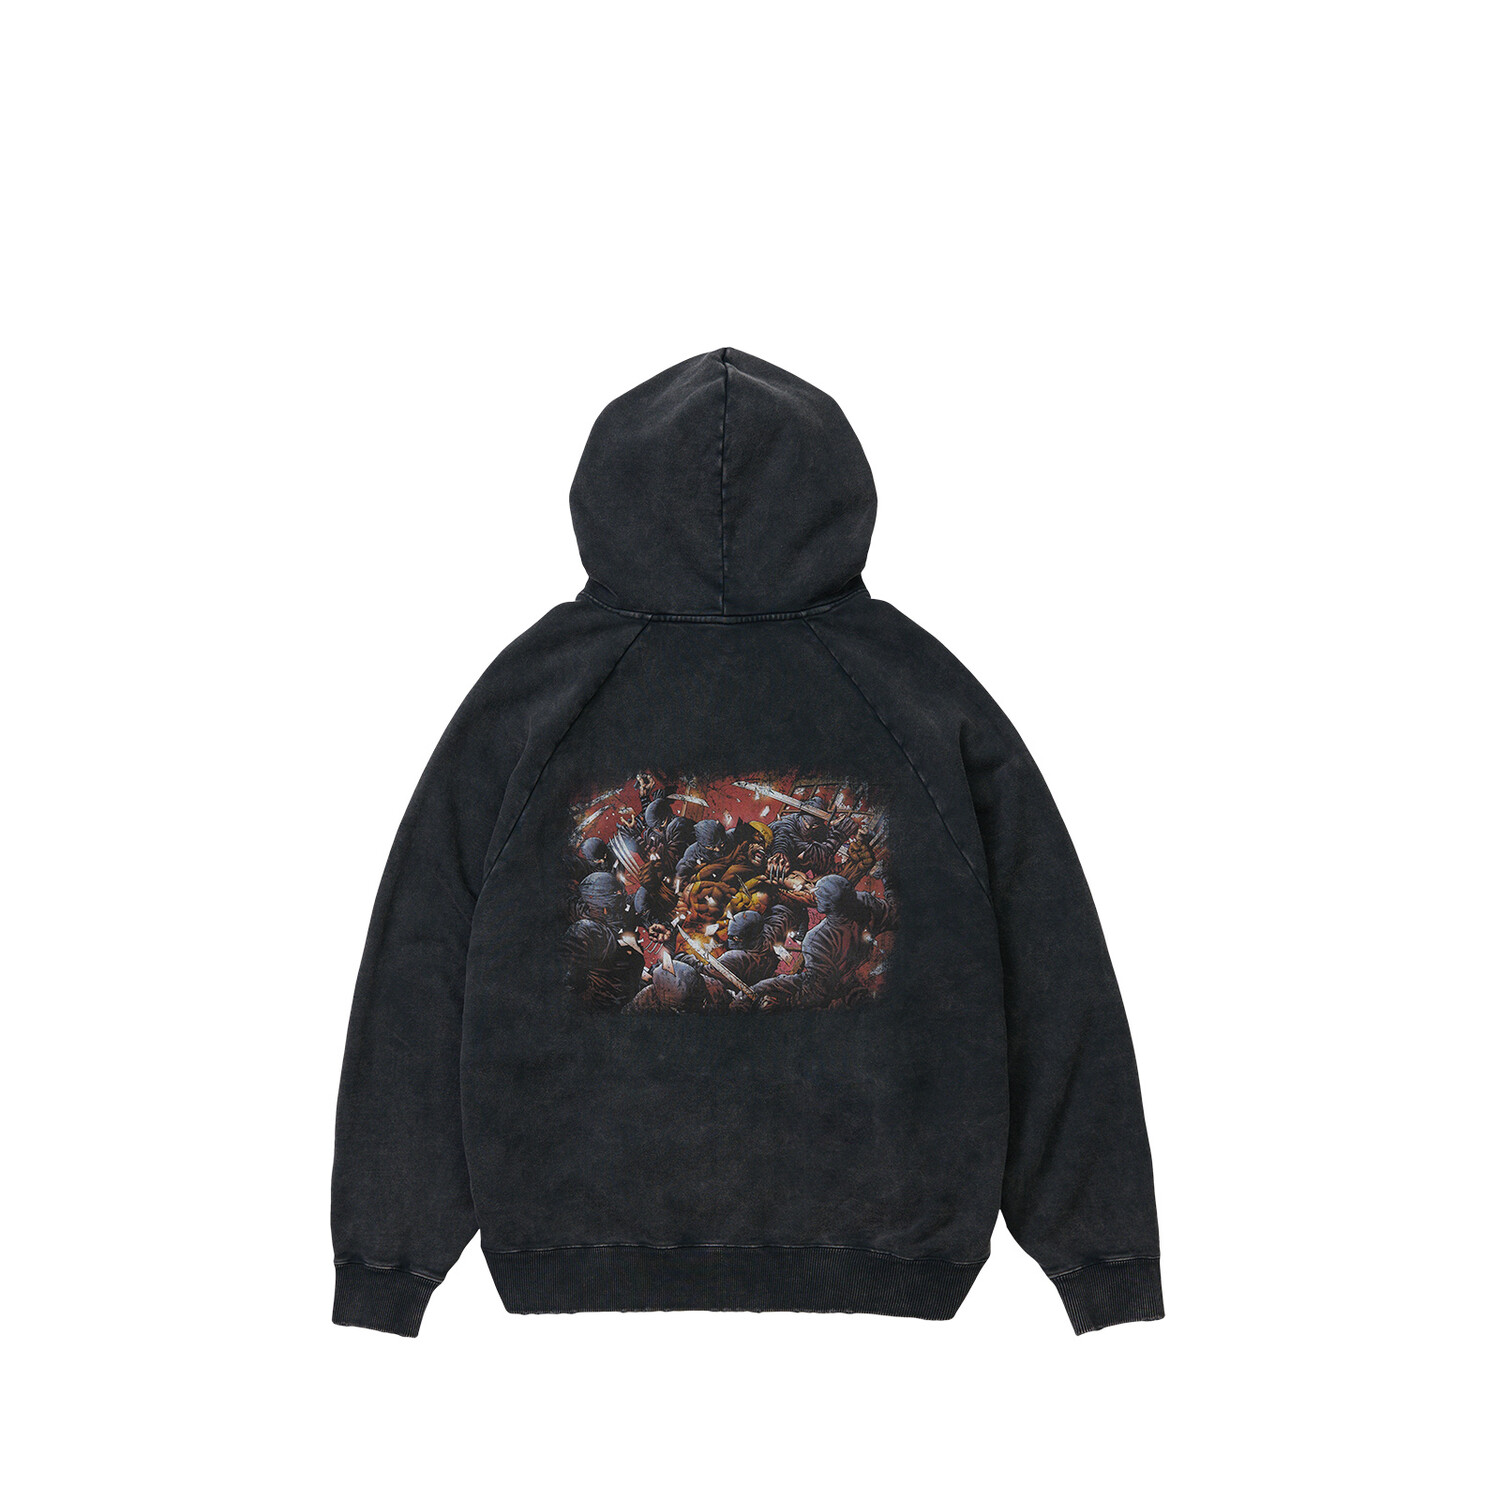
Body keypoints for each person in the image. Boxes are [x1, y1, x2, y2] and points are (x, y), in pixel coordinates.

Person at [752, 875, 893, 1010]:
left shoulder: (816, 939)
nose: (813, 893)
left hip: (842, 984)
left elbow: (817, 992)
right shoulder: (864, 901)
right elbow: (891, 912)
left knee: (770, 986)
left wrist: (785, 1003)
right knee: (765, 985)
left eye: (818, 894)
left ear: (825, 905)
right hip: (850, 972)